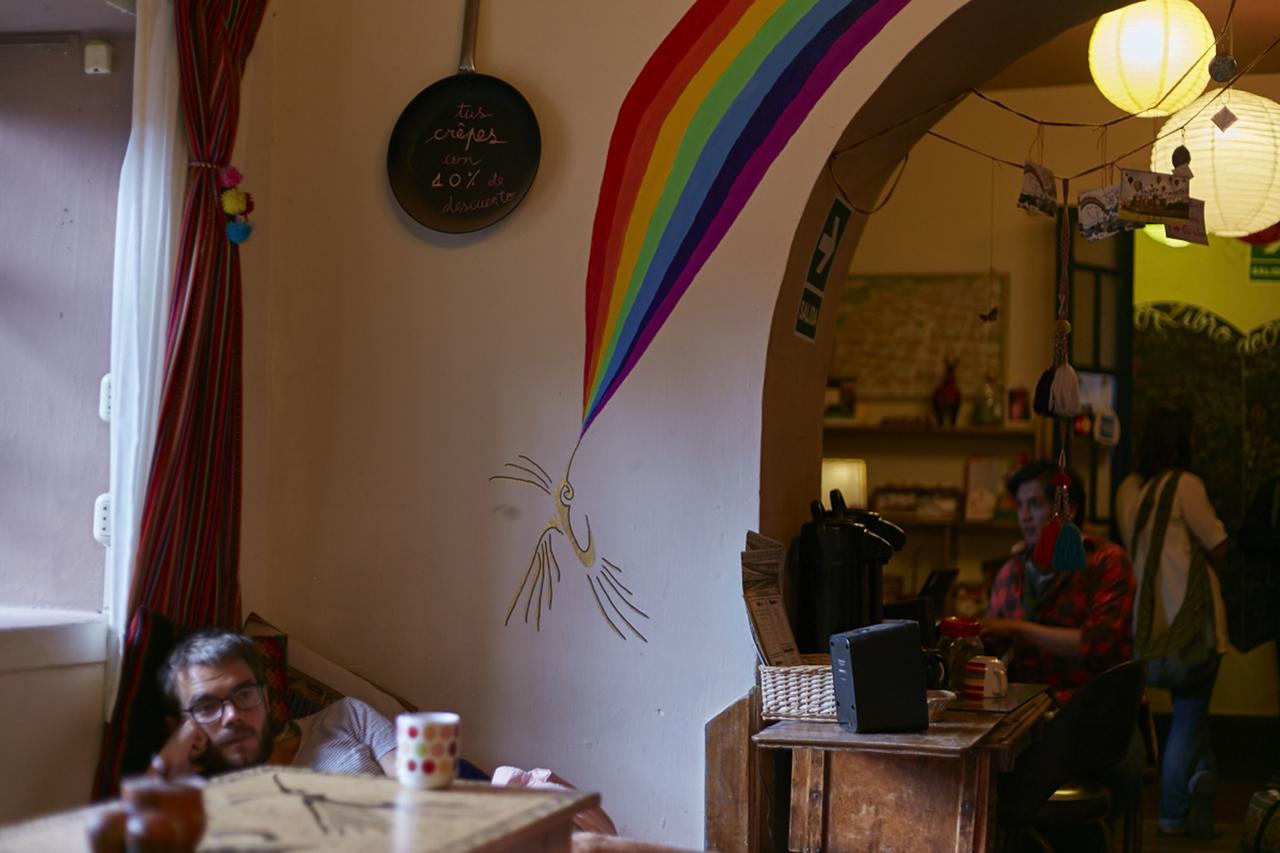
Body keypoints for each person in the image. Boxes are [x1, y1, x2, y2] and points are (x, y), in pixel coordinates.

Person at [1116, 404, 1230, 838]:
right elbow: (1217, 544)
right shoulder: (1187, 485)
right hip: (1193, 626)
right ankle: (1173, 810)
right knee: (1189, 714)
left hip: (1153, 628)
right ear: (1180, 441)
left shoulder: (1134, 492)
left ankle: (1202, 784)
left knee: (1190, 716)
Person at [982, 459, 1136, 702]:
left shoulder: (1106, 561)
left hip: (1091, 706)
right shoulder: (1012, 569)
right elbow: (990, 642)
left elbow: (1095, 644)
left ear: (1069, 510)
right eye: (1020, 505)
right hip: (1023, 709)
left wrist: (1016, 628)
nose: (1024, 516)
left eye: (1034, 504)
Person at [150, 629, 397, 779]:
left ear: (266, 699)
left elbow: (425, 787)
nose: (233, 714)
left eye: (244, 694)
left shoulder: (348, 716)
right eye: (207, 707)